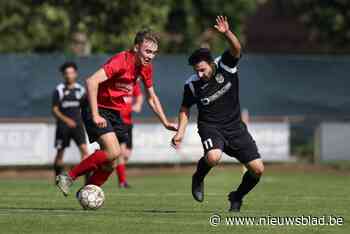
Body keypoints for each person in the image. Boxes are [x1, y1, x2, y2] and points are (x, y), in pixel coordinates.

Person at [56, 29, 177, 196]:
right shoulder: (122, 60)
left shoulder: (146, 67)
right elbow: (91, 81)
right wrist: (96, 114)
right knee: (114, 152)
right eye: (147, 51)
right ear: (136, 48)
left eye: (154, 53)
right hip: (96, 106)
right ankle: (68, 177)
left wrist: (164, 121)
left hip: (113, 111)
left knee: (111, 163)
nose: (150, 56)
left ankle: (87, 192)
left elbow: (151, 97)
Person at [171, 16, 264, 212]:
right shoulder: (192, 84)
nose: (199, 74)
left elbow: (237, 49)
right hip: (210, 126)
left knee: (257, 170)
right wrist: (180, 132)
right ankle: (198, 177)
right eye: (196, 71)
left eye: (202, 70)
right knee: (213, 157)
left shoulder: (225, 65)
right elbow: (185, 108)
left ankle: (237, 196)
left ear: (210, 64)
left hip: (235, 127)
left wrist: (227, 33)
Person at [52, 62, 89, 179]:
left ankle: (88, 181)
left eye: (71, 73)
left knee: (85, 151)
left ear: (76, 74)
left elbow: (85, 107)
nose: (69, 75)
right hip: (63, 127)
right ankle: (58, 180)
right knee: (60, 153)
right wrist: (66, 120)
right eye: (67, 73)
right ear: (63, 75)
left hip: (78, 126)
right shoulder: (59, 90)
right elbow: (55, 110)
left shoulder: (81, 90)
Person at [116, 81, 144, 188]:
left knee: (127, 154)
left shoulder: (133, 84)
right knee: (121, 153)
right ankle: (122, 182)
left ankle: (107, 162)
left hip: (128, 123)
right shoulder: (116, 83)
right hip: (118, 122)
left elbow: (140, 96)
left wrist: (138, 104)